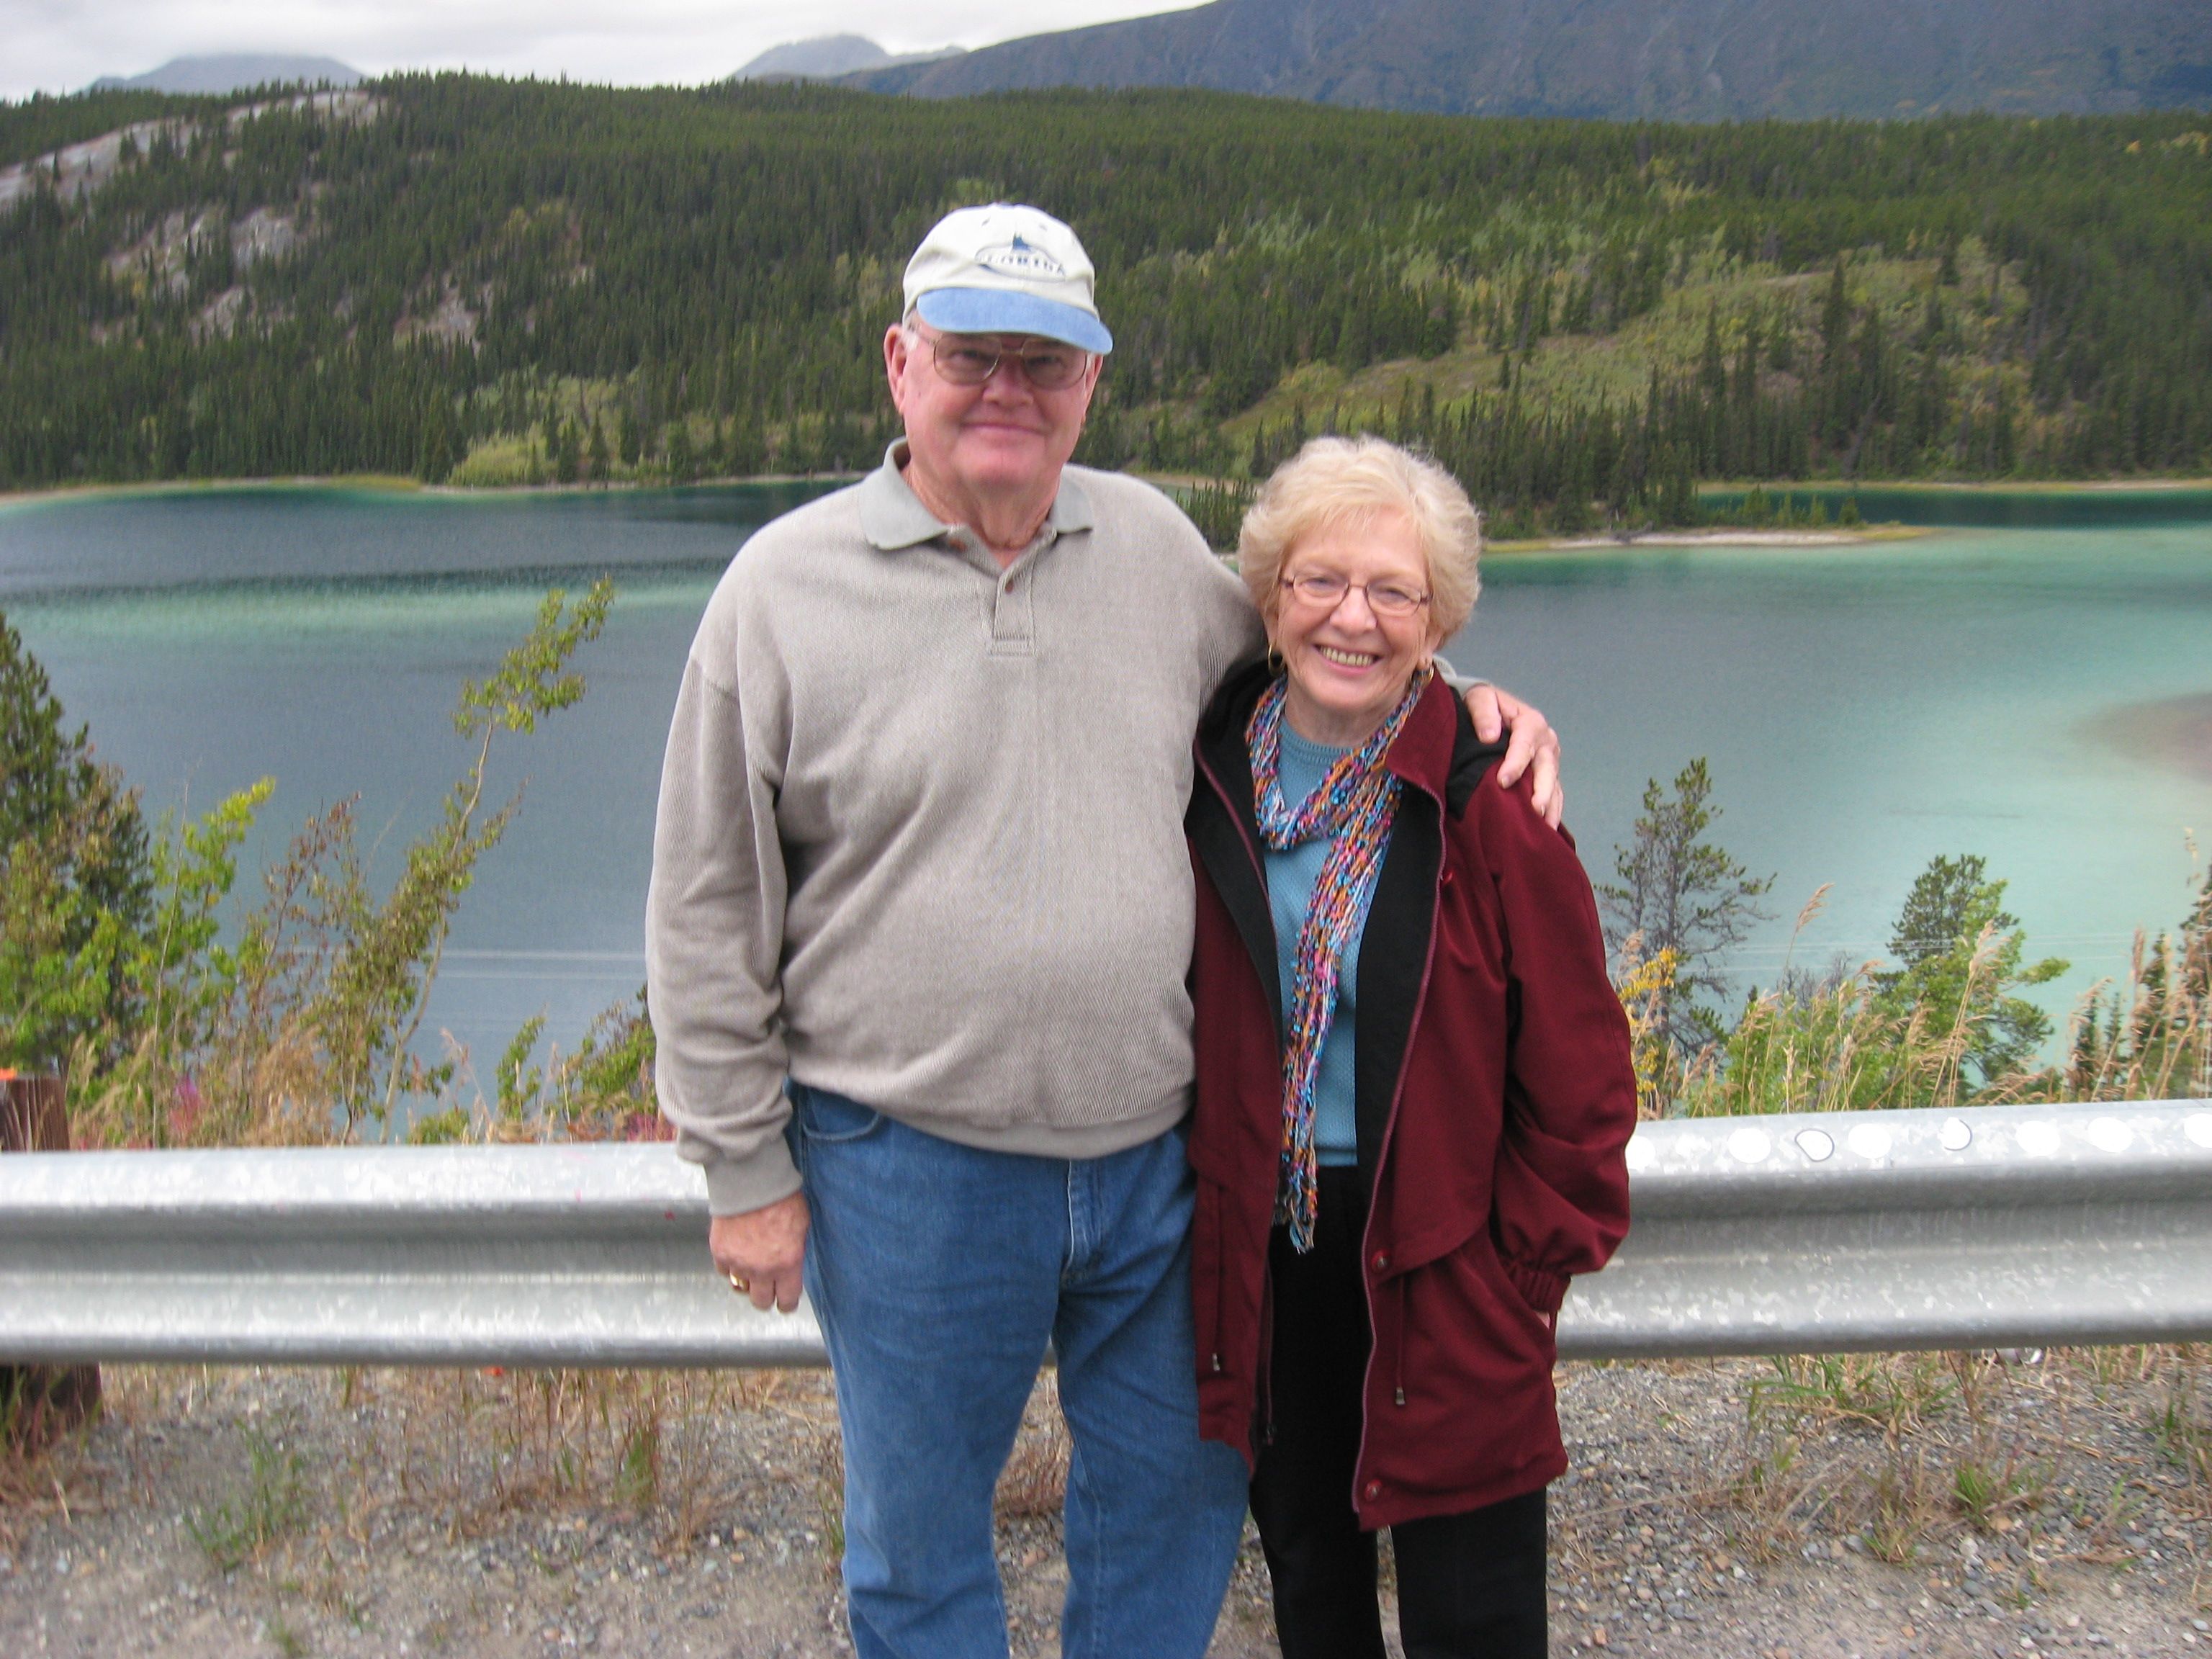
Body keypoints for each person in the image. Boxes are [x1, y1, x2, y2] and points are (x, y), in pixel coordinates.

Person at [646, 203, 1563, 1659]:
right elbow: (705, 903)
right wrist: (741, 1165)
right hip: (907, 1171)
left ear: (1090, 384)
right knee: (920, 1543)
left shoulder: (1148, 550)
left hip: (1168, 1169)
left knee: (1172, 1515)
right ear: (901, 362)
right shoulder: (779, 591)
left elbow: (1332, 659)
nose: (1006, 388)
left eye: (1047, 360)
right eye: (971, 354)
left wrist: (1473, 708)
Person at [1184, 435, 1637, 1659]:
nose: (1355, 618)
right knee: (1313, 1592)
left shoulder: (1490, 797)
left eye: (1394, 591)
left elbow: (1584, 1086)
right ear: (1271, 598)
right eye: (1321, 581)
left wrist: (1518, 1284)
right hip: (1267, 1257)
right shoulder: (1209, 775)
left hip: (1444, 1262)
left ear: (1438, 622)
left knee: (1474, 1614)